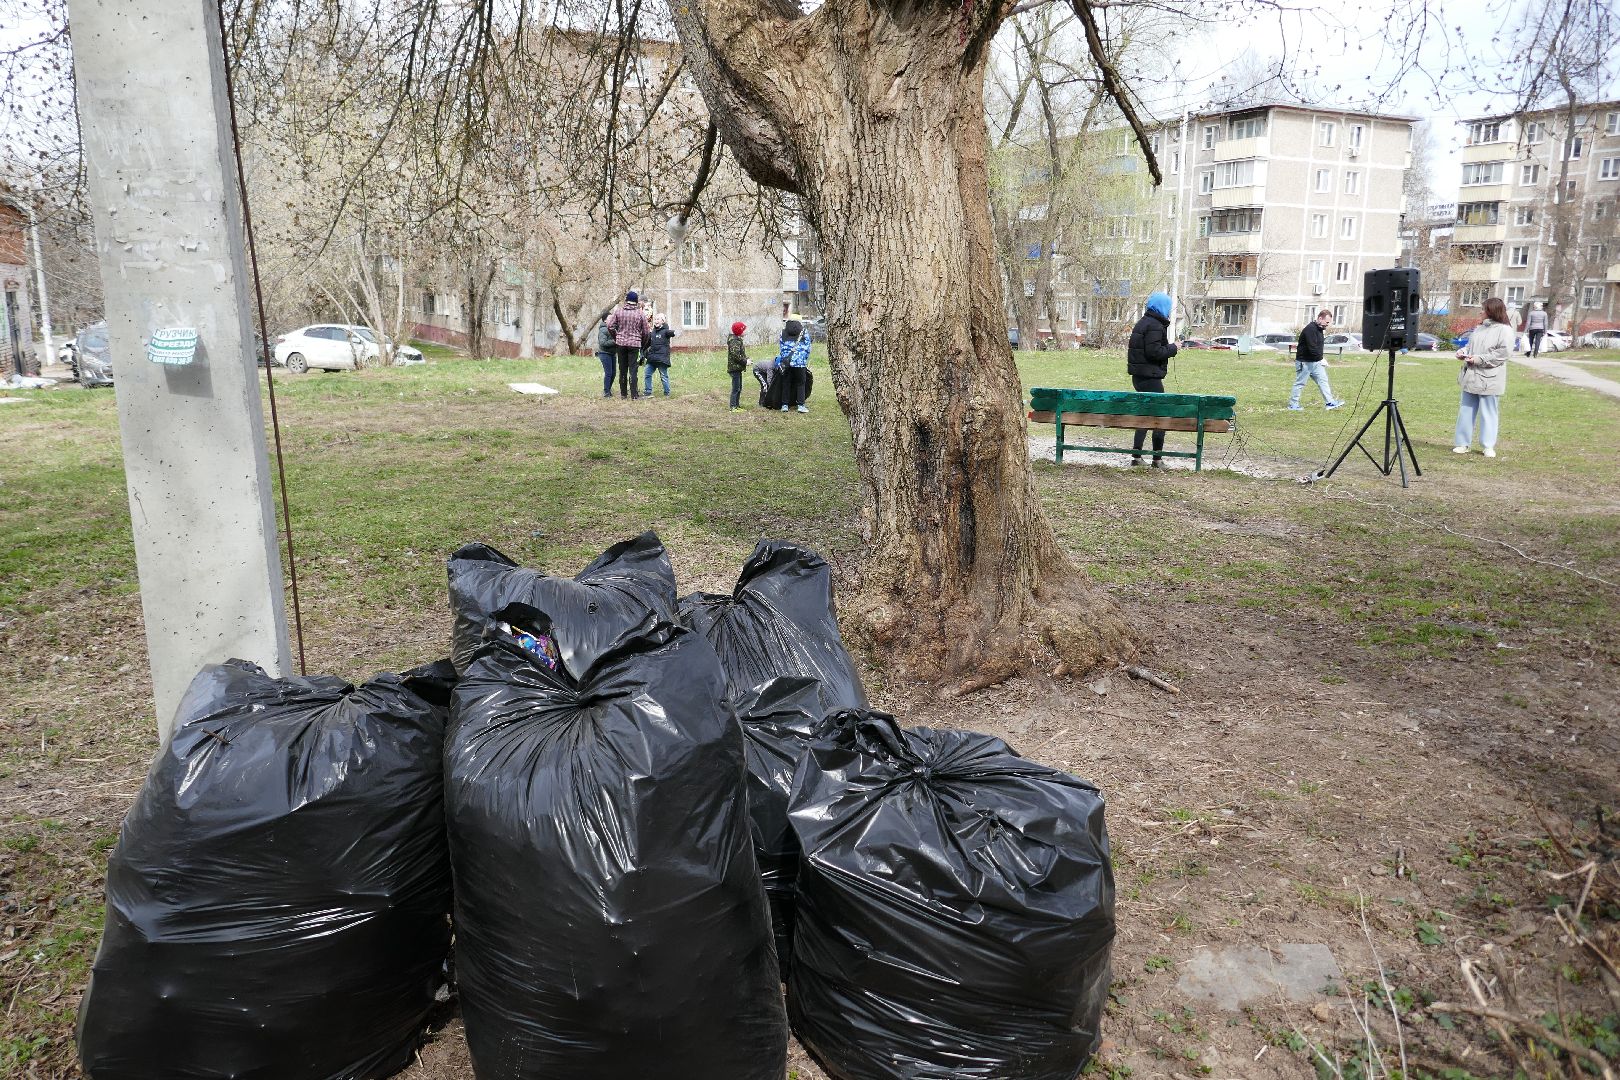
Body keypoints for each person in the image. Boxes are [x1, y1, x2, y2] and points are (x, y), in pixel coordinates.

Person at [1454, 296, 1513, 458]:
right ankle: (1462, 443)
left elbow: (1503, 353)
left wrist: (1479, 359)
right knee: (1466, 410)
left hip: (1490, 378)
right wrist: (1463, 352)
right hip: (1471, 376)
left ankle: (1488, 446)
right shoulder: (1479, 328)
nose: (1480, 311)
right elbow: (1469, 346)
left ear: (1491, 311)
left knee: (1489, 412)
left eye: (1483, 309)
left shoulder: (1505, 330)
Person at [1125, 292, 1178, 466]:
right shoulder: (1155, 325)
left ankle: (1137, 456)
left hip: (1139, 377)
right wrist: (1172, 348)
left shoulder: (1142, 323)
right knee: (1158, 417)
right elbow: (1154, 352)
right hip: (1151, 378)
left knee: (1145, 416)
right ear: (1163, 307)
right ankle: (1157, 458)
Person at [1289, 309, 1344, 411]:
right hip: (1304, 362)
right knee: (1300, 383)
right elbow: (1312, 348)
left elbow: (1317, 348)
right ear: (1320, 318)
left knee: (1323, 381)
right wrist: (1321, 358)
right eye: (1326, 322)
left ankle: (1330, 402)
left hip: (1315, 362)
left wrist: (1320, 359)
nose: (1327, 324)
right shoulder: (1310, 329)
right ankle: (1293, 405)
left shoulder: (1319, 329)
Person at [605, 290, 652, 399]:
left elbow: (610, 326)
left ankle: (623, 394)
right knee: (633, 369)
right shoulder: (640, 313)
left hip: (621, 344)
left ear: (626, 300)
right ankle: (634, 395)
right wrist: (642, 343)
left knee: (622, 369)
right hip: (634, 344)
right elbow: (646, 331)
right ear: (636, 301)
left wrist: (616, 337)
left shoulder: (618, 311)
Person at [777, 314, 812, 413]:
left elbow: (781, 346)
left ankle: (784, 405)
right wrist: (803, 359)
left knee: (786, 382)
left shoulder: (783, 332)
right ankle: (800, 405)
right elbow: (808, 347)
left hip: (787, 362)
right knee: (801, 383)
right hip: (799, 363)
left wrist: (784, 358)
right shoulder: (804, 332)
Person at [642, 312, 676, 397]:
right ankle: (648, 391)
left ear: (663, 321)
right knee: (647, 373)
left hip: (661, 359)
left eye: (658, 319)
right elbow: (647, 343)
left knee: (663, 376)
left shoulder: (665, 331)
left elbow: (671, 333)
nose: (656, 321)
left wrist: (676, 332)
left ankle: (667, 393)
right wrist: (642, 350)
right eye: (655, 319)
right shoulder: (652, 332)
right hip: (652, 358)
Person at [726, 321, 749, 411]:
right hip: (734, 368)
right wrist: (745, 361)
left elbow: (740, 354)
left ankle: (737, 406)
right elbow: (735, 355)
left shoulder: (738, 340)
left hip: (738, 368)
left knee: (739, 388)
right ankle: (733, 407)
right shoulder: (734, 341)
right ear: (739, 331)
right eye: (743, 330)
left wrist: (746, 359)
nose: (745, 332)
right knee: (736, 388)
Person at [594, 316, 617, 398]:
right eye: (610, 318)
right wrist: (615, 341)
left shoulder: (613, 328)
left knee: (613, 373)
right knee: (609, 373)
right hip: (604, 353)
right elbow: (603, 343)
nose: (612, 319)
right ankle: (606, 392)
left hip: (612, 353)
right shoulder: (603, 329)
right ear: (605, 320)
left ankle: (608, 390)